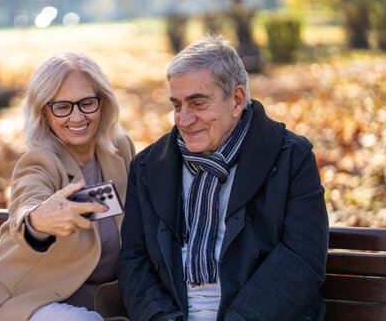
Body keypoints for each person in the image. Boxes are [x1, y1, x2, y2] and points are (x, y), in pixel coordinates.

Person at [116, 34, 329, 321]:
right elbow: (134, 259)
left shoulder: (291, 156)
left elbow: (302, 258)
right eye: (177, 105)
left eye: (198, 103)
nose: (183, 119)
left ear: (237, 99)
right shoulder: (147, 166)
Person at [0, 52, 135, 321]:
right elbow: (26, 204)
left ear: (103, 103)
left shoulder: (119, 149)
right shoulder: (39, 162)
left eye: (87, 103)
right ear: (45, 112)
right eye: (62, 107)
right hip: (21, 306)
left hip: (99, 307)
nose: (77, 117)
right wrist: (38, 220)